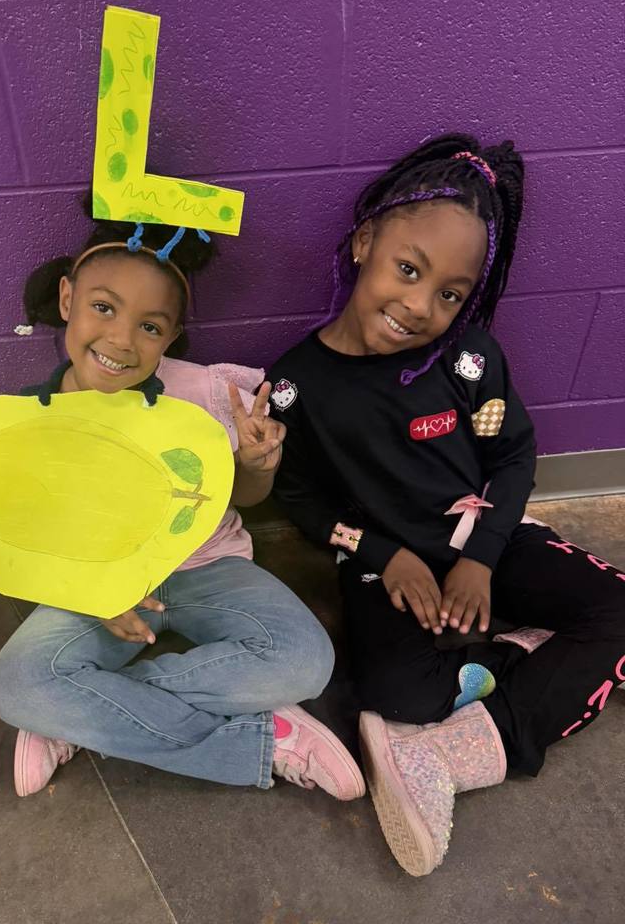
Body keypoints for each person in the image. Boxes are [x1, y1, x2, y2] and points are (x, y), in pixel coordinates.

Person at [267, 134, 625, 875]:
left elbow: (513, 456)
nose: (419, 306)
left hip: (482, 540)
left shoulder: (469, 361)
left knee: (620, 611)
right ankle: (518, 652)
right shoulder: (297, 385)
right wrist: (381, 554)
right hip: (380, 567)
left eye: (450, 293)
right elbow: (299, 497)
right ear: (365, 240)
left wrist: (481, 562)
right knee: (397, 695)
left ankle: (466, 747)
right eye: (407, 270)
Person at [0, 199, 365, 803]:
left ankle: (86, 712)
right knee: (15, 687)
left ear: (171, 336)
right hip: (99, 585)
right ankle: (265, 735)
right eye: (103, 308)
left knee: (304, 660)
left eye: (151, 326)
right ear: (67, 301)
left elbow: (244, 498)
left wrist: (253, 465)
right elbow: (38, 539)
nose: (121, 339)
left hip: (206, 568)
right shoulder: (32, 421)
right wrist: (96, 594)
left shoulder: (205, 395)